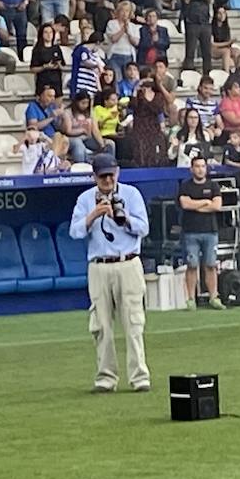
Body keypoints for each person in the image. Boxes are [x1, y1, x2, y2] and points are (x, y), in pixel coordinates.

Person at [67, 152, 150, 392]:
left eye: (111, 175)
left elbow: (144, 227)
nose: (107, 181)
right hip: (99, 265)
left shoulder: (131, 194)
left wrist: (123, 220)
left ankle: (139, 377)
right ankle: (106, 378)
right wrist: (93, 215)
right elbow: (74, 232)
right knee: (101, 325)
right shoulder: (85, 199)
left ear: (117, 173)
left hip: (128, 262)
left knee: (134, 322)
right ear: (94, 176)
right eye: (102, 176)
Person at [177, 155, 226, 311]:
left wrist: (196, 205)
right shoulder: (185, 186)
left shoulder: (213, 186)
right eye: (197, 166)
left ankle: (214, 297)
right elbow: (185, 204)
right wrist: (205, 202)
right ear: (191, 169)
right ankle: (191, 299)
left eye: (203, 166)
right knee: (192, 265)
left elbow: (217, 206)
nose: (200, 169)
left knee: (211, 265)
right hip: (190, 231)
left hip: (210, 231)